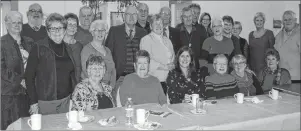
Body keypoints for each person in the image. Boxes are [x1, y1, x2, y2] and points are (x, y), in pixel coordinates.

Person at [25, 13, 80, 115]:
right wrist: (33, 102)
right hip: (46, 102)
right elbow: (29, 76)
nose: (57, 31)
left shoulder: (68, 49)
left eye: (60, 28)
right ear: (47, 31)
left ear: (64, 30)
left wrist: (73, 96)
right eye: (53, 28)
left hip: (66, 100)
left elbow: (72, 74)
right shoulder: (38, 47)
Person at [1, 11, 34, 130]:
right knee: (11, 127)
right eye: (13, 22)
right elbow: (1, 69)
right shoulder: (1, 43)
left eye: (19, 22)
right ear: (6, 24)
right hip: (10, 96)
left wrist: (29, 56)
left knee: (27, 126)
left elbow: (37, 64)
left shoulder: (29, 42)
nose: (17, 25)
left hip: (28, 94)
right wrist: (20, 80)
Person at [105, 5, 147, 88]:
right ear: (124, 16)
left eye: (134, 14)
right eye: (128, 14)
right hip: (119, 77)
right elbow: (107, 55)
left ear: (137, 16)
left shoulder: (143, 32)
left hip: (138, 76)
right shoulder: (114, 31)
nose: (131, 17)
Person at [140, 14, 175, 95]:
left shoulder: (168, 40)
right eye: (156, 23)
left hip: (169, 80)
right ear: (151, 26)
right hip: (154, 81)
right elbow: (147, 61)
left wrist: (173, 64)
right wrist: (165, 67)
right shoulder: (146, 40)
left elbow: (173, 57)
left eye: (160, 23)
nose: (159, 26)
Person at [81, 20, 116, 88]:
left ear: (106, 32)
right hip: (92, 87)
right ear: (92, 33)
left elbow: (113, 70)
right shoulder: (87, 49)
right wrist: (99, 87)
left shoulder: (108, 50)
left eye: (103, 30)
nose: (100, 33)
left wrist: (111, 86)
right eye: (97, 30)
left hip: (108, 88)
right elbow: (86, 71)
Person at [274, 10, 300, 82]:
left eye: (290, 19)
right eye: (285, 20)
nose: (287, 21)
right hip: (282, 77)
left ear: (295, 20)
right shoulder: (278, 36)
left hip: (297, 77)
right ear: (282, 22)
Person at [64, 13, 83, 83]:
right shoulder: (58, 45)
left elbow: (80, 68)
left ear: (77, 28)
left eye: (75, 25)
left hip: (76, 84)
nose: (72, 27)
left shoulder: (80, 46)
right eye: (69, 24)